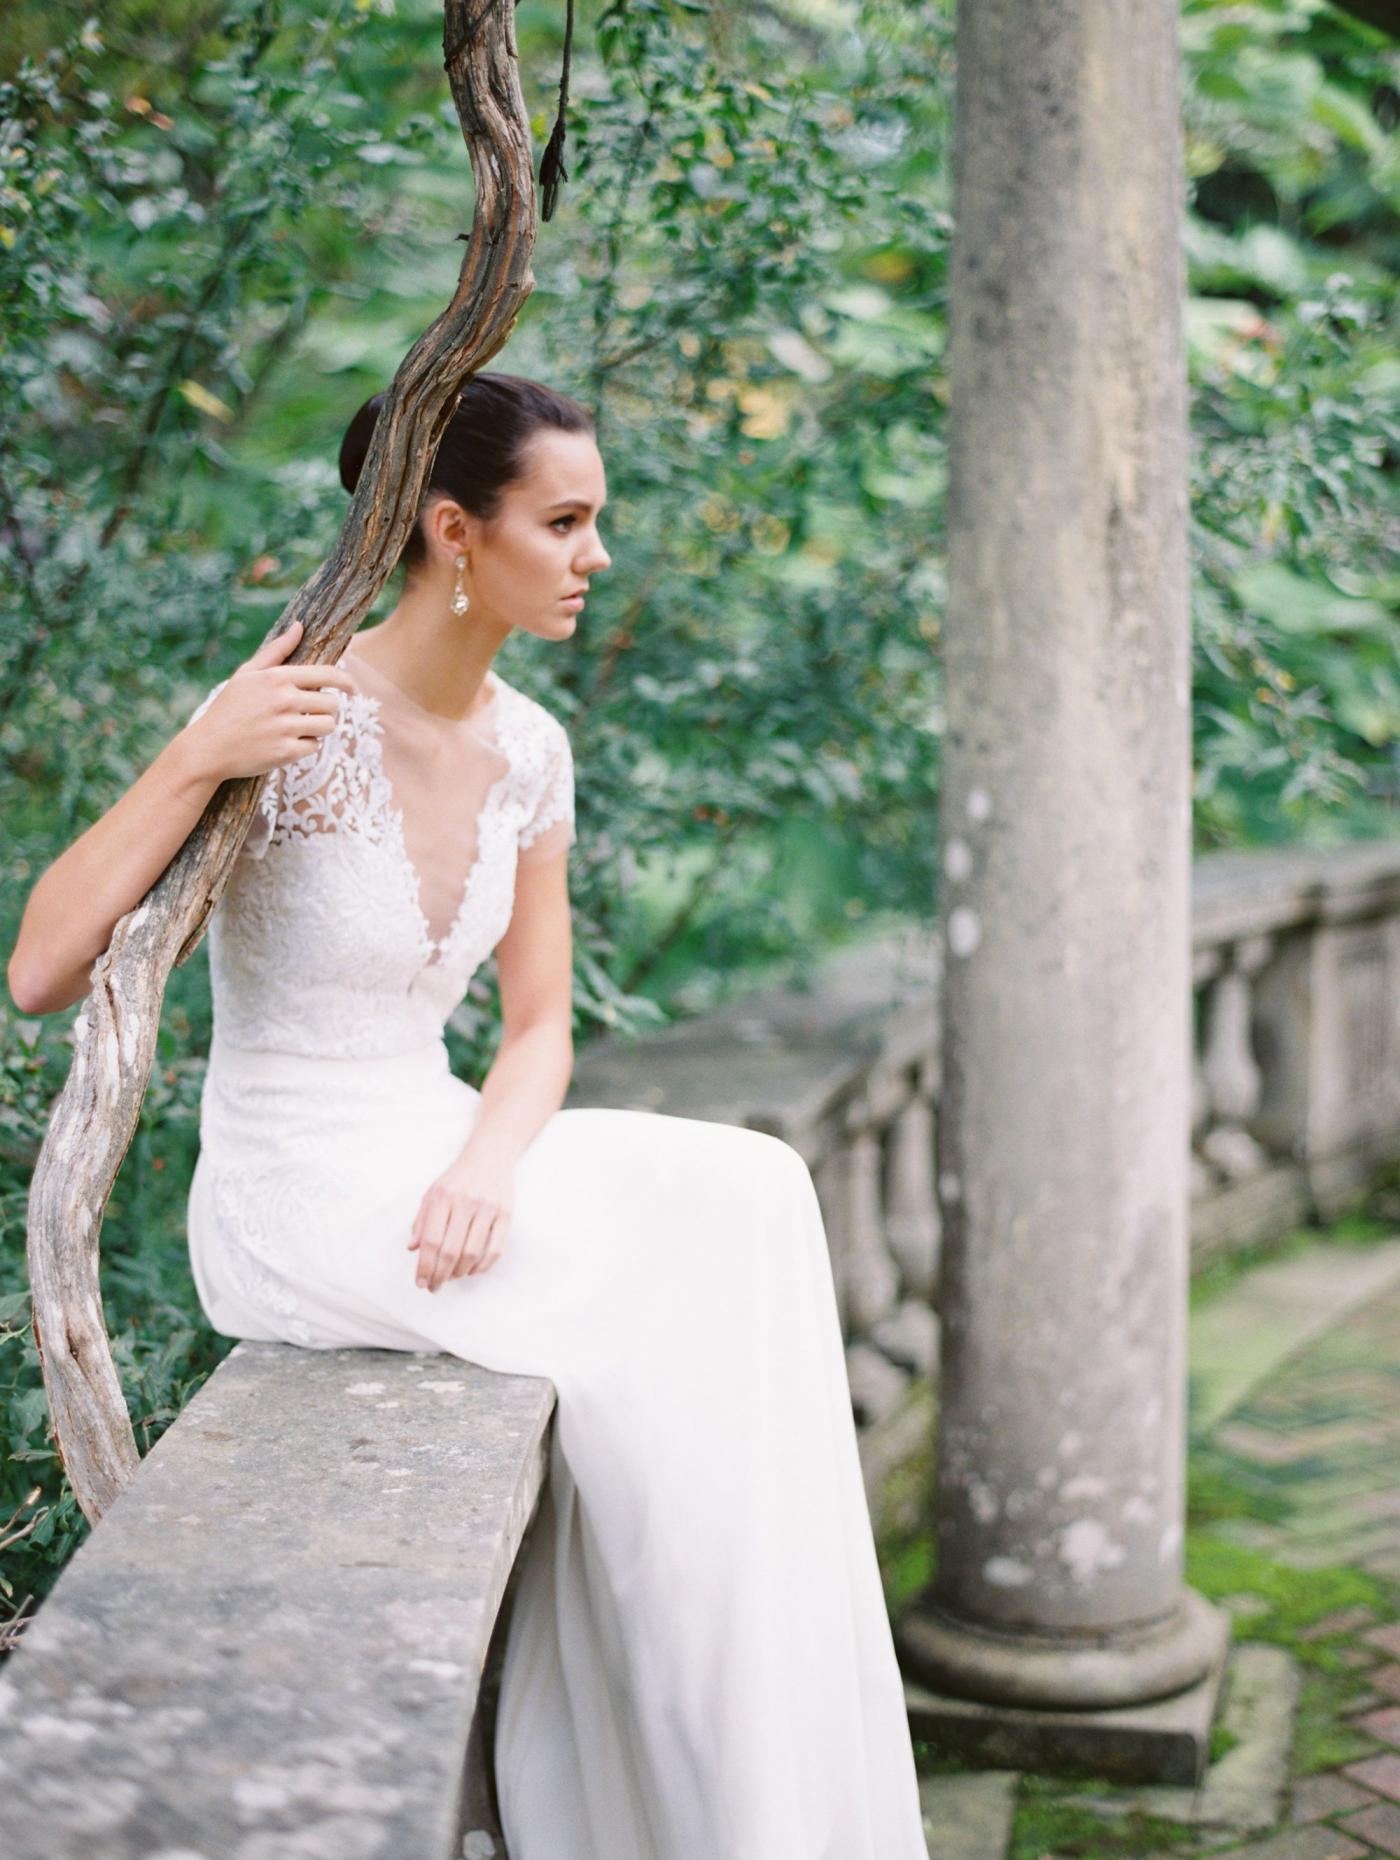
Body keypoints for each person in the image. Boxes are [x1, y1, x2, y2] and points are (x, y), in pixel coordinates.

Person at [7, 373, 929, 1858]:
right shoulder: (290, 716)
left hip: (441, 1148)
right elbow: (44, 965)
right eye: (564, 523)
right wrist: (200, 747)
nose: (594, 557)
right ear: (453, 530)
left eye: (595, 523)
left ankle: (752, 1786)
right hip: (296, 1187)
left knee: (758, 1190)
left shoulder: (535, 752)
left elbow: (542, 1025)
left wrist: (490, 1163)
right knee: (698, 1300)